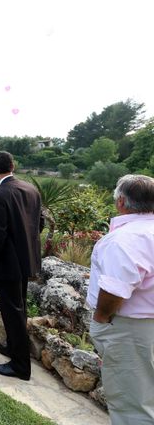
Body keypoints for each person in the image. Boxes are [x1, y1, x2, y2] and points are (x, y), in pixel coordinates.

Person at [86, 174, 154, 424]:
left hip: (130, 330)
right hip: (145, 329)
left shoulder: (124, 240)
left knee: (131, 405)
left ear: (121, 201)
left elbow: (116, 288)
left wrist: (101, 318)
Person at [0, 151, 42, 381]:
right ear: (13, 165)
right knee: (19, 309)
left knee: (12, 311)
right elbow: (40, 223)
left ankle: (20, 367)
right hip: (26, 258)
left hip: (7, 263)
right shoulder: (31, 189)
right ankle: (14, 348)